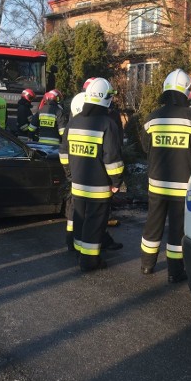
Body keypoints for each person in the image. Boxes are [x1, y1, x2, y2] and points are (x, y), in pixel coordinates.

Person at [139, 69, 191, 283]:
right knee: (177, 230)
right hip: (182, 186)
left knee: (153, 224)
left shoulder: (151, 119)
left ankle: (147, 265)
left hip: (156, 184)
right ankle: (174, 271)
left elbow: (144, 147)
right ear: (186, 93)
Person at [59, 77, 124, 272]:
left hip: (78, 184)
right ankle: (89, 261)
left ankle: (80, 253)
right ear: (105, 98)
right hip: (99, 187)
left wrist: (71, 175)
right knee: (95, 223)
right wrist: (116, 181)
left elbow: (64, 153)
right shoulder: (107, 123)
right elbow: (112, 159)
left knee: (80, 219)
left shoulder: (74, 121)